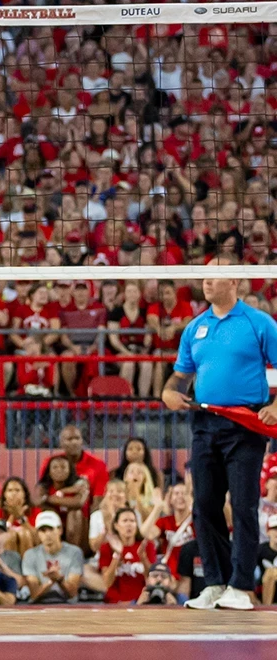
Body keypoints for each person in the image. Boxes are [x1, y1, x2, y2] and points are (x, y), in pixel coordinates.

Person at [163, 252, 277, 611]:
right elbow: (180, 376)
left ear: (235, 281)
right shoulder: (194, 328)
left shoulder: (260, 323)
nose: (207, 282)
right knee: (204, 505)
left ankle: (241, 587)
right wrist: (168, 391)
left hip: (245, 424)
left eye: (215, 276)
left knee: (243, 505)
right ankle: (215, 583)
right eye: (204, 277)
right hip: (204, 424)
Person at [21, 509, 85, 602]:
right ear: (38, 533)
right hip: (39, 604)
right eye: (43, 530)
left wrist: (59, 579)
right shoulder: (30, 555)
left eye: (51, 529)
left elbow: (72, 593)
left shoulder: (74, 552)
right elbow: (34, 594)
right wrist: (51, 581)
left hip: (67, 604)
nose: (47, 535)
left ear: (60, 530)